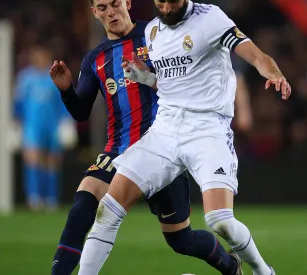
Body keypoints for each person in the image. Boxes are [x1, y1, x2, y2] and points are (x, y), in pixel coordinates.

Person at [78, 1, 291, 275]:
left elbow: (254, 54)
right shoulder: (153, 31)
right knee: (108, 209)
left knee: (220, 220)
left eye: (172, 1)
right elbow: (168, 83)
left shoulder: (210, 18)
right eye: (160, 2)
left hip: (207, 129)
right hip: (165, 130)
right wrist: (145, 76)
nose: (166, 7)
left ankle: (263, 271)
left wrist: (272, 71)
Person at [50, 0, 242, 274]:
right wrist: (67, 90)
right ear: (95, 13)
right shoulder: (95, 59)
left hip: (163, 147)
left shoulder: (156, 35)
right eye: (102, 7)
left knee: (181, 239)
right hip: (118, 150)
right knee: (82, 205)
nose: (110, 12)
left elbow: (186, 80)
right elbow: (81, 112)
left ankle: (229, 264)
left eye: (115, 4)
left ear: (127, 3)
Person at [14, 45, 73, 211]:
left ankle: (51, 199)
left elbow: (63, 101)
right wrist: (17, 122)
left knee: (52, 162)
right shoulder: (25, 78)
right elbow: (18, 103)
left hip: (52, 125)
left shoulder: (53, 77)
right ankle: (34, 198)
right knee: (33, 160)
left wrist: (66, 122)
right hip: (32, 126)